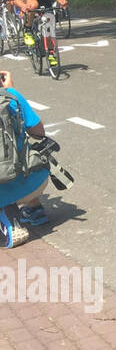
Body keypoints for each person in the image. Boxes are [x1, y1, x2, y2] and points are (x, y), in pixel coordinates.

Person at [0, 68, 55, 247]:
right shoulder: (11, 96)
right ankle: (34, 209)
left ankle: (7, 216)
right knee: (20, 151)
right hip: (35, 182)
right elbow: (39, 133)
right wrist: (10, 92)